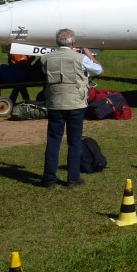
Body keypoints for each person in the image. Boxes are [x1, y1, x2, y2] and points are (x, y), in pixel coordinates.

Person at [39, 29, 103, 188]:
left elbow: (44, 72)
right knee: (74, 142)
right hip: (75, 104)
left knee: (53, 141)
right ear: (73, 43)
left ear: (57, 42)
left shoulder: (45, 58)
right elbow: (100, 70)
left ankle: (49, 179)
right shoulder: (80, 58)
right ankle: (73, 178)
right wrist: (88, 54)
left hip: (55, 103)